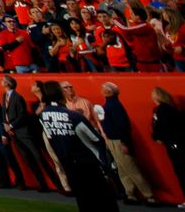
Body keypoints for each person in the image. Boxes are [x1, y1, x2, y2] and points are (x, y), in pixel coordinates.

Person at [39, 80, 118, 212]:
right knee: (104, 202)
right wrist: (104, 163)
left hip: (69, 165)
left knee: (84, 202)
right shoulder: (73, 116)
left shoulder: (43, 115)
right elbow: (96, 139)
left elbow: (51, 139)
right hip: (88, 164)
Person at [98, 82, 156, 205]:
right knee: (122, 169)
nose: (101, 90)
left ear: (109, 92)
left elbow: (123, 126)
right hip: (113, 139)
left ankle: (149, 196)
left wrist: (124, 142)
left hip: (118, 140)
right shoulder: (112, 105)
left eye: (103, 88)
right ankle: (130, 194)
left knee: (131, 168)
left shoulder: (114, 106)